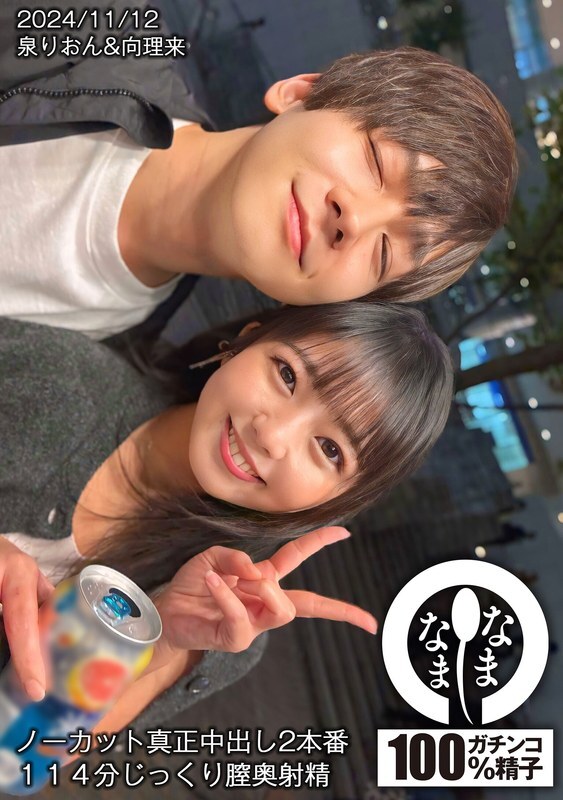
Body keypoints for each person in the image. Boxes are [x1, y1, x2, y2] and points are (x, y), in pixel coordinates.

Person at [0, 300, 453, 735]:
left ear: (337, 501)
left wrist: (160, 643)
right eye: (287, 375)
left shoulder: (228, 622)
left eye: (330, 449)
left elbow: (22, 753)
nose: (272, 435)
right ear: (244, 342)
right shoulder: (52, 377)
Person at [0, 0, 517, 338]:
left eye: (383, 254)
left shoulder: (134, 363)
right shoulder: (101, 28)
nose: (354, 221)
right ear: (299, 93)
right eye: (376, 162)